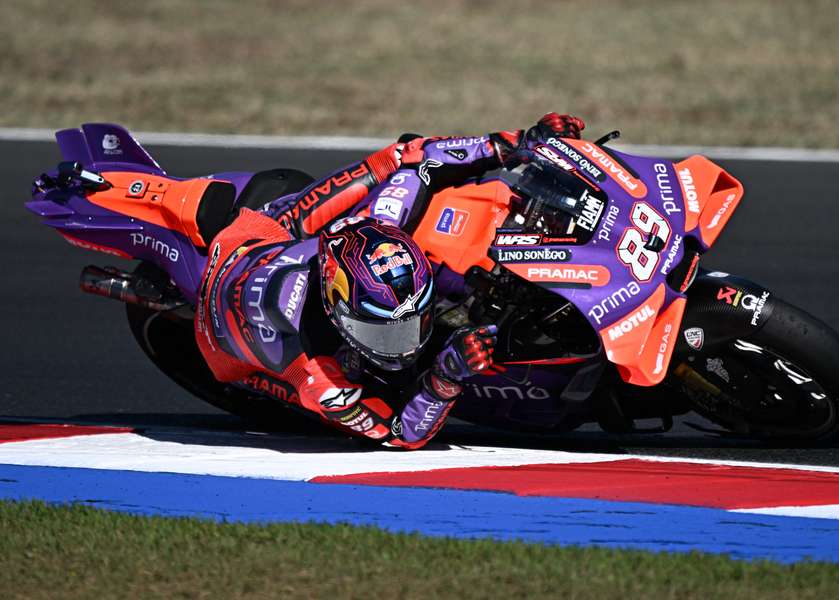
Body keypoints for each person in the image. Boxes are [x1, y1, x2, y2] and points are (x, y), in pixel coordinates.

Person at [193, 113, 586, 449]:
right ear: (340, 311)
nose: (408, 344)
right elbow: (399, 435)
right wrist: (444, 377)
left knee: (398, 156)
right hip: (237, 294)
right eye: (386, 333)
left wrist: (517, 144)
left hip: (277, 246)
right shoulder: (324, 382)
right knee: (320, 401)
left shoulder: (378, 223)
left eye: (414, 321)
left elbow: (420, 158)